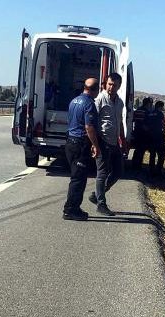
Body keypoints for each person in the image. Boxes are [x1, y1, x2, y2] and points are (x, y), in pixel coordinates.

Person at [62, 78, 101, 220]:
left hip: (70, 142)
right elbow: (89, 127)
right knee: (78, 179)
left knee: (76, 177)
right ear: (95, 90)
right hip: (80, 144)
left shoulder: (74, 101)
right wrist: (95, 145)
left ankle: (73, 207)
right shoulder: (89, 104)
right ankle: (71, 209)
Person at [89, 73, 126, 216]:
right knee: (102, 173)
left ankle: (97, 194)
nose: (111, 87)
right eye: (109, 84)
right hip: (102, 141)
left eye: (114, 85)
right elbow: (92, 121)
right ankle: (101, 204)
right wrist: (94, 144)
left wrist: (122, 140)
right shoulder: (100, 99)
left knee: (118, 172)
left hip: (114, 142)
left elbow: (120, 122)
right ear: (106, 84)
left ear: (119, 86)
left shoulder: (120, 102)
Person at [146, 101, 165, 177]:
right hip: (159, 137)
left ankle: (151, 171)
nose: (162, 109)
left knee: (152, 155)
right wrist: (163, 133)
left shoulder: (150, 113)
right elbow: (164, 124)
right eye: (162, 107)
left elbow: (147, 125)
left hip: (151, 137)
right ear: (160, 107)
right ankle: (158, 171)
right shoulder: (160, 114)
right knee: (161, 156)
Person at [131, 97, 152, 169]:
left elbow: (133, 120)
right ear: (148, 104)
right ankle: (138, 166)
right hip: (143, 134)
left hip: (136, 132)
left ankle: (134, 164)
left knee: (137, 150)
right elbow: (145, 123)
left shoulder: (137, 110)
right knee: (141, 150)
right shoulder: (146, 112)